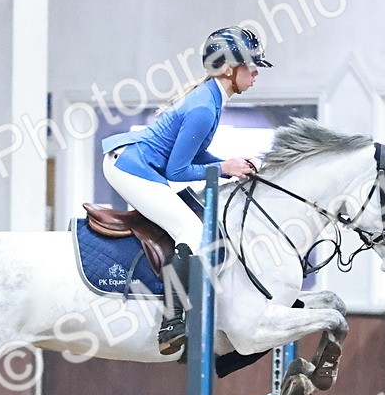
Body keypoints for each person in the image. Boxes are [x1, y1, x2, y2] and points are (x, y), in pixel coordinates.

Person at [101, 26, 271, 355]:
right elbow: (178, 171)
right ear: (228, 70)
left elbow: (192, 156)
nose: (256, 73)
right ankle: (171, 322)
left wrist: (229, 164)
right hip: (130, 167)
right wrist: (224, 168)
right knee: (191, 230)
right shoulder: (204, 108)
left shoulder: (212, 98)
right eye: (251, 66)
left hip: (139, 161)